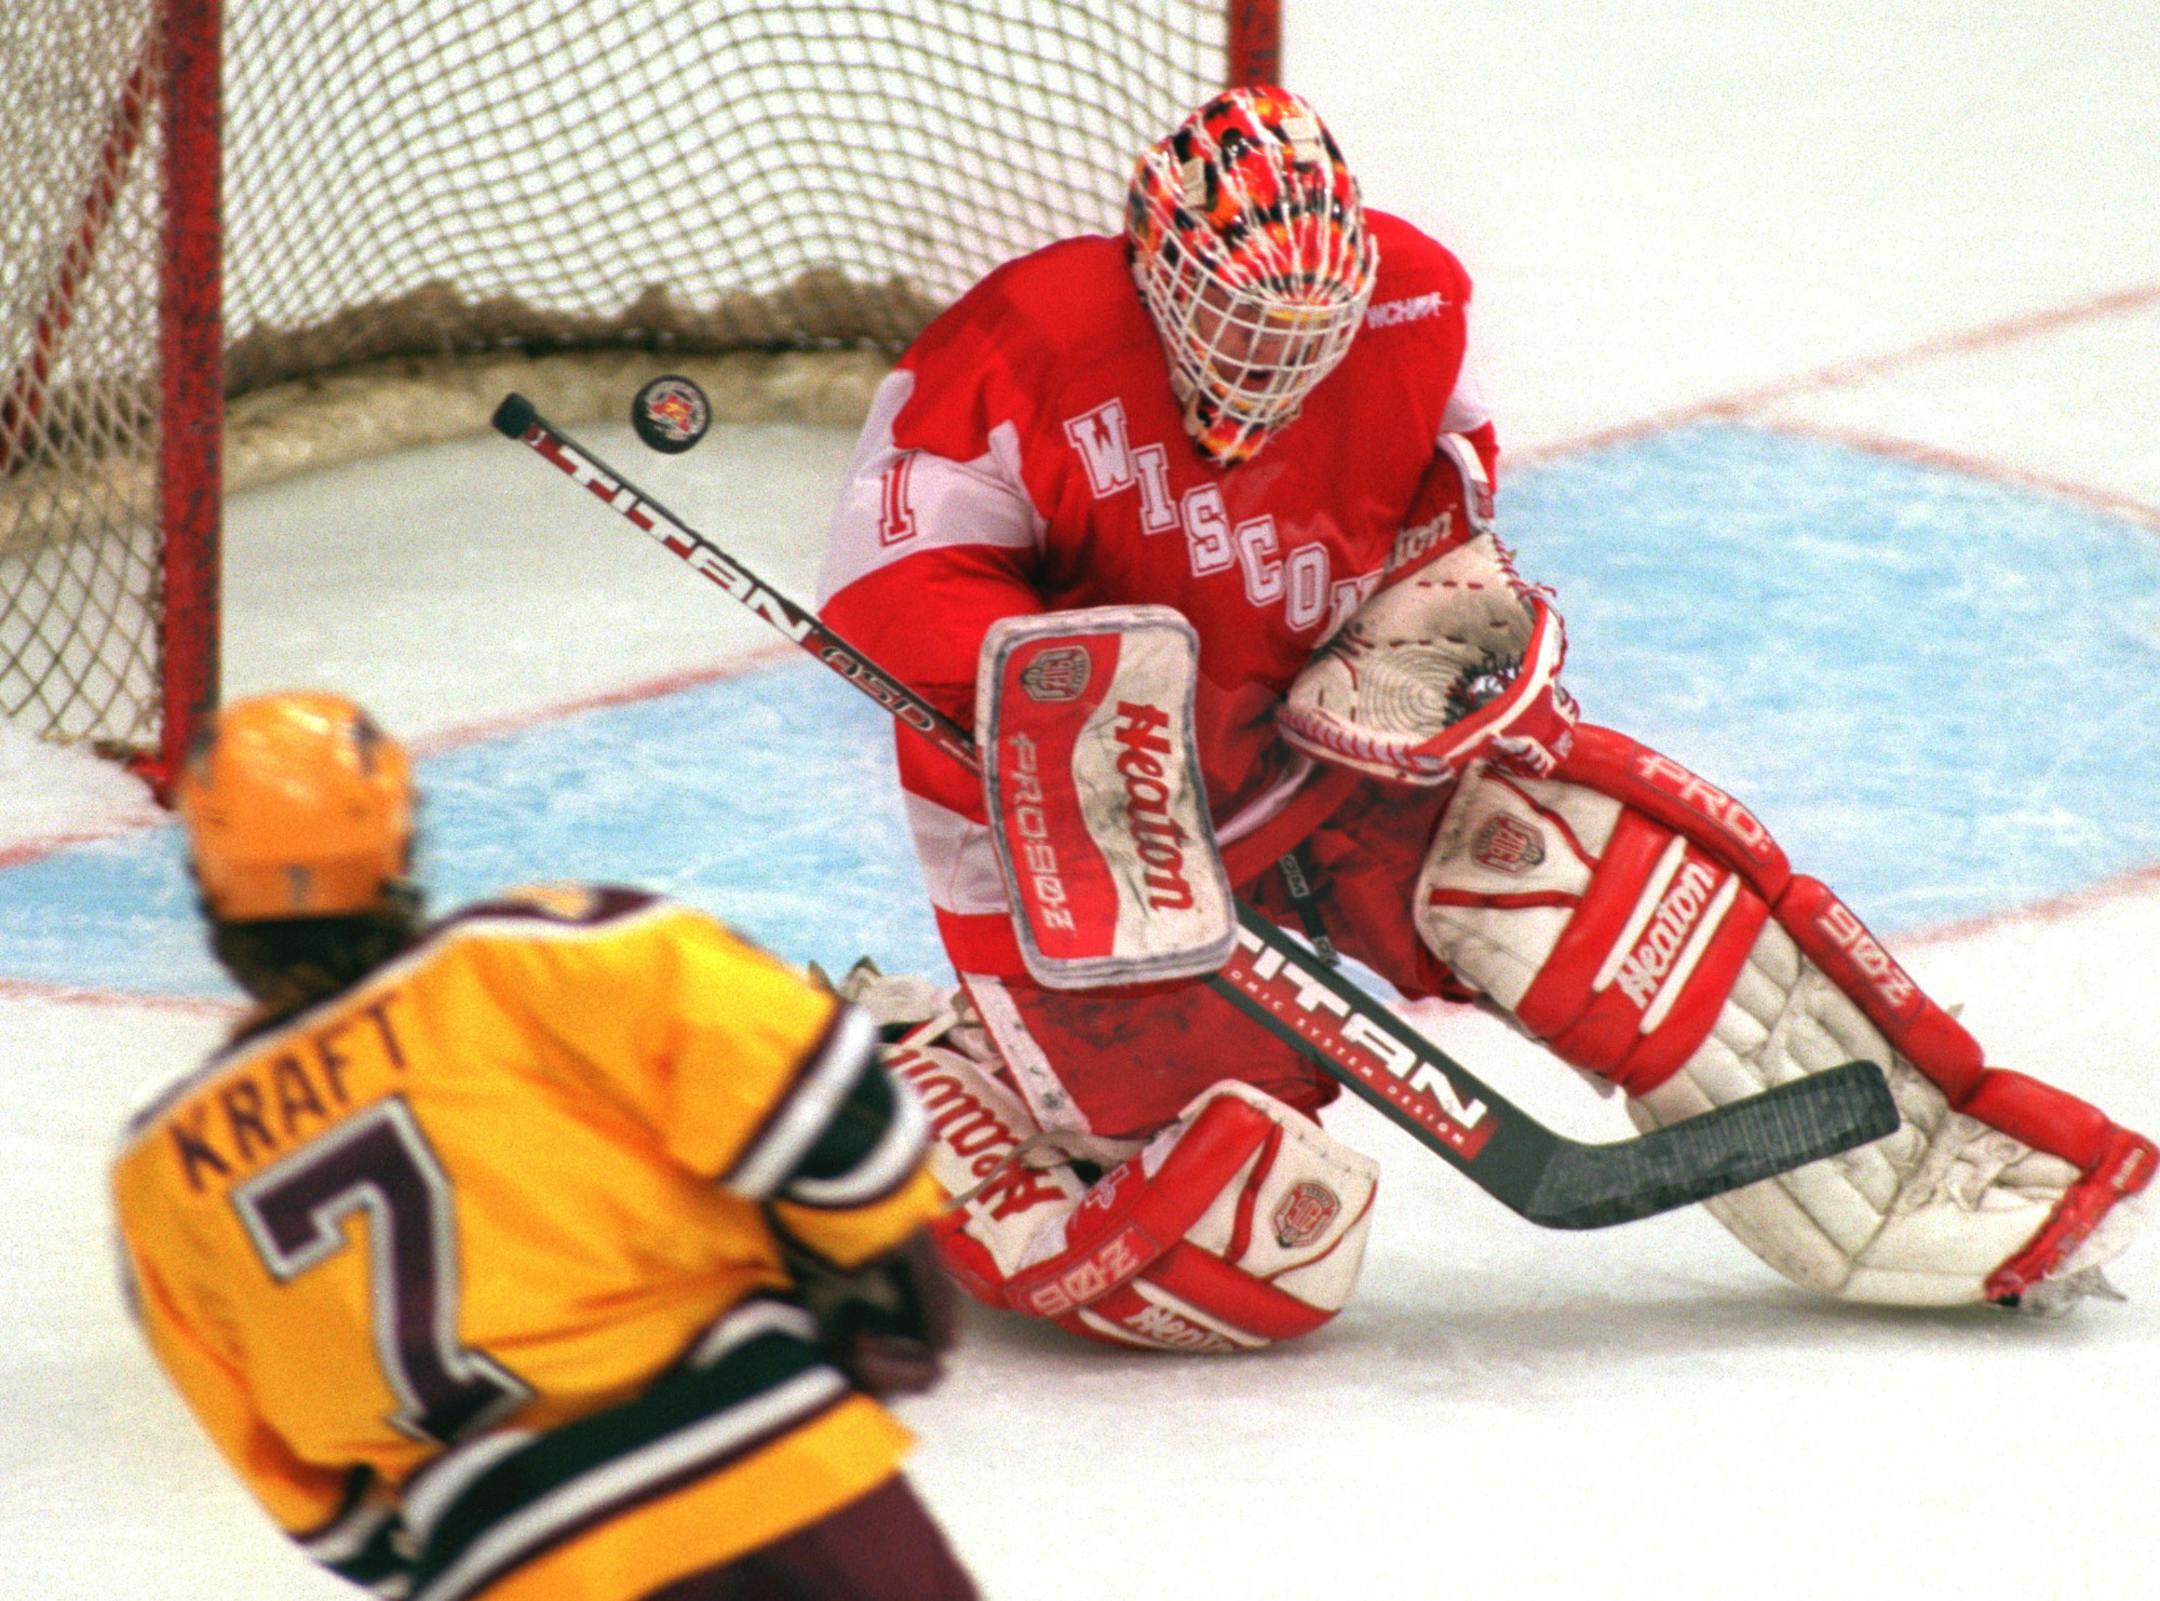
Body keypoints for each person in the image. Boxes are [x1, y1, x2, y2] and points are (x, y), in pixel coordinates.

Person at [814, 84, 2152, 1353]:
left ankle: (1928, 1163)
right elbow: (887, 586)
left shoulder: (1413, 309)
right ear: (1155, 270)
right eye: (1236, 316)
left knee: (1596, 887)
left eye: (1312, 324)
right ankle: (908, 1076)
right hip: (1080, 844)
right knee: (1245, 1238)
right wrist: (1056, 690)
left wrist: (1429, 607)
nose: (1276, 356)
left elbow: (1441, 494)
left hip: (1312, 762)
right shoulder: (1018, 346)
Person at [111, 693, 978, 1601]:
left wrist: (476, 1545)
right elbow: (813, 1085)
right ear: (400, 846)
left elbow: (319, 1504)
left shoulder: (163, 1171)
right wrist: (878, 1269)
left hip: (512, 1558)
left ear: (211, 888)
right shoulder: (541, 956)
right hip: (785, 1477)